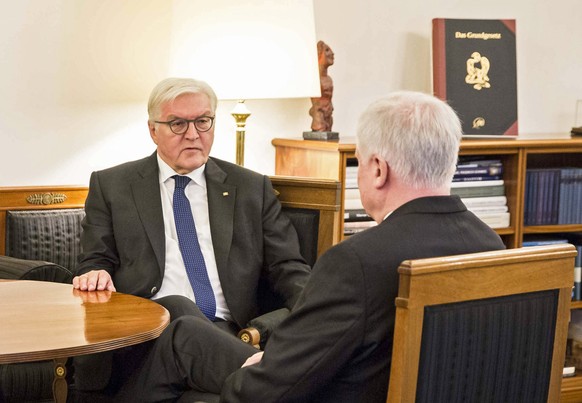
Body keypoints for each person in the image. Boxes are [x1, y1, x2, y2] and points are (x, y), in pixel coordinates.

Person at [120, 90, 506, 402]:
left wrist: (250, 374)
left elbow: (267, 392)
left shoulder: (357, 262)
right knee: (187, 332)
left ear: (377, 169)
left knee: (185, 351)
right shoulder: (490, 247)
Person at [71, 77, 310, 393]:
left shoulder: (252, 188)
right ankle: (273, 377)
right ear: (153, 130)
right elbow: (95, 260)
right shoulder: (113, 186)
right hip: (142, 335)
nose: (193, 134)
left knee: (186, 323)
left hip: (227, 331)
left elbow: (289, 269)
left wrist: (321, 314)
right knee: (178, 306)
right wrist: (94, 273)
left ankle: (256, 373)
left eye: (202, 121)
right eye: (177, 124)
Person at [309, 40, 335, 132]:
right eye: (327, 50)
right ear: (318, 55)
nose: (332, 53)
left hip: (328, 117)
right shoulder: (315, 80)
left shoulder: (329, 79)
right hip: (319, 117)